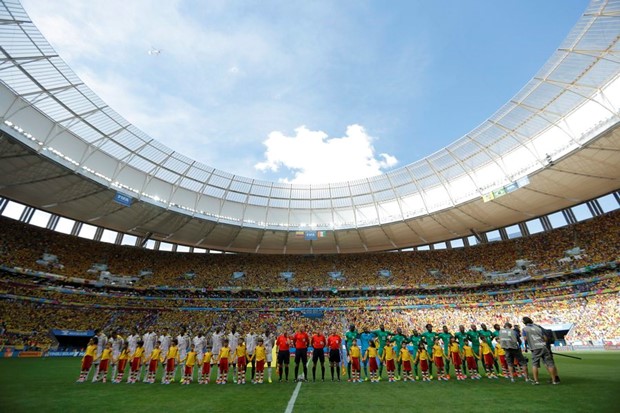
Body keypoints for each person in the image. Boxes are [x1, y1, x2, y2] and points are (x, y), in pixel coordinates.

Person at [522, 317, 559, 385]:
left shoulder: (525, 329)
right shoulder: (538, 327)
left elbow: (525, 339)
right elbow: (545, 338)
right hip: (544, 347)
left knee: (535, 364)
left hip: (535, 348)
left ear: (524, 322)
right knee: (550, 364)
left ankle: (536, 381)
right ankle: (554, 381)